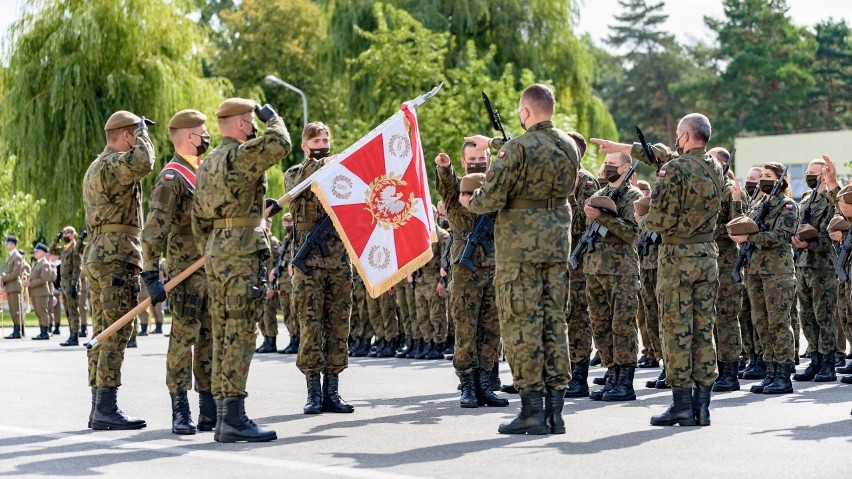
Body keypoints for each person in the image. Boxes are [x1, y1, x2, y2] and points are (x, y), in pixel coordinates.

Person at [593, 112, 722, 426]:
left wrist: (643, 221)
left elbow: (660, 219)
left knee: (676, 330)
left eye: (678, 134)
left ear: (685, 136)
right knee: (703, 330)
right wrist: (621, 146)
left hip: (678, 257)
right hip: (706, 254)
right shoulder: (714, 165)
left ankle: (681, 405)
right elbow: (664, 155)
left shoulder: (674, 170)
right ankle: (702, 407)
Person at [465, 83, 579, 435]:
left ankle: (531, 410)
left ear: (525, 112)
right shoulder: (569, 145)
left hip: (519, 249)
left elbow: (489, 197)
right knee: (554, 322)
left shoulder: (517, 148)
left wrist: (472, 201)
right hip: (557, 242)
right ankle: (555, 412)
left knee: (521, 324)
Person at [192, 98, 290, 442]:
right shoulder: (239, 154)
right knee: (240, 333)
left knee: (222, 331)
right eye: (250, 121)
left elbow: (199, 218)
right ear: (238, 124)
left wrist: (219, 239)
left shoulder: (207, 164)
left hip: (217, 250)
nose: (253, 126)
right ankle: (233, 417)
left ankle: (223, 415)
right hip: (240, 252)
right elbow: (281, 142)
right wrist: (273, 117)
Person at [142, 108, 215, 435]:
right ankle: (180, 408)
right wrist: (151, 274)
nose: (207, 138)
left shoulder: (202, 171)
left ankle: (209, 407)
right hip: (185, 269)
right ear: (189, 136)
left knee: (210, 337)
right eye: (202, 133)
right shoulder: (172, 176)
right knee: (184, 337)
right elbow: (155, 227)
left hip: (211, 267)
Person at [82, 110, 155, 430]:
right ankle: (105, 407)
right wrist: (144, 133)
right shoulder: (114, 163)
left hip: (100, 254)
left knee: (102, 330)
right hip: (115, 255)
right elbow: (145, 162)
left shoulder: (96, 166)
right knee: (116, 329)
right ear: (126, 136)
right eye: (135, 134)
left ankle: (99, 405)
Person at [284, 121, 353, 415]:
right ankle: (313, 391)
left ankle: (332, 391)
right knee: (310, 327)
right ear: (304, 146)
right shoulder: (294, 173)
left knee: (338, 326)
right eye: (316, 141)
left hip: (339, 261)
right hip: (308, 263)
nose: (322, 144)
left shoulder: (342, 173)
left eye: (325, 139)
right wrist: (325, 163)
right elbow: (302, 182)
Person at [435, 143, 509, 409]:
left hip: (494, 264)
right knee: (466, 327)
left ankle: (485, 384)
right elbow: (446, 184)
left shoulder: (497, 185)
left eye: (482, 158)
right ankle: (467, 384)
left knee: (491, 328)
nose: (477, 162)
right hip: (465, 267)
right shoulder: (456, 189)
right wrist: (444, 168)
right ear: (463, 161)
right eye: (472, 158)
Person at [729, 162, 798, 396]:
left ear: (780, 180)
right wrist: (737, 202)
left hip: (777, 273)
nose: (762, 180)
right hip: (756, 272)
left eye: (768, 176)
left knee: (778, 323)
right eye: (762, 177)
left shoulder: (787, 205)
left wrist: (751, 236)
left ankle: (783, 375)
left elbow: (780, 235)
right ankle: (770, 372)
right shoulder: (759, 204)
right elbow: (743, 225)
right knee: (761, 323)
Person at [583, 153, 643, 402]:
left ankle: (625, 382)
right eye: (605, 163)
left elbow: (632, 233)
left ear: (626, 167)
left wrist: (604, 218)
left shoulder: (633, 196)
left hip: (622, 271)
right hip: (595, 268)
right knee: (600, 324)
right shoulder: (599, 194)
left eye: (612, 164)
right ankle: (612, 373)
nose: (606, 167)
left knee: (622, 326)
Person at [791, 158, 838, 383]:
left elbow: (832, 234)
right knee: (807, 315)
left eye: (813, 172)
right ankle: (815, 360)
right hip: (803, 264)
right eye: (807, 171)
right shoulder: (806, 199)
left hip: (823, 266)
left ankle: (828, 362)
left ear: (823, 175)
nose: (808, 176)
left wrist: (810, 244)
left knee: (824, 315)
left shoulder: (830, 200)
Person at [564, 134, 599, 399]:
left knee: (577, 318)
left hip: (576, 263)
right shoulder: (553, 176)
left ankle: (579, 376)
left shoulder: (586, 182)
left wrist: (570, 195)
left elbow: (580, 226)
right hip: (554, 259)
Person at [708, 147, 746, 392]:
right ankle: (717, 369)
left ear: (722, 163)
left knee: (726, 317)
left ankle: (730, 371)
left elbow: (737, 226)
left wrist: (736, 199)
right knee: (710, 319)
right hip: (707, 257)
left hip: (726, 259)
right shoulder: (707, 187)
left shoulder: (731, 189)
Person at [50, 227, 84, 345]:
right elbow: (52, 251)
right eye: (64, 232)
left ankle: (75, 336)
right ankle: (71, 335)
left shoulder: (75, 248)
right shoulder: (64, 249)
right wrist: (56, 240)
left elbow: (77, 268)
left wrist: (74, 285)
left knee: (73, 311)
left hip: (71, 284)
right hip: (64, 285)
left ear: (74, 234)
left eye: (68, 233)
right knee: (68, 311)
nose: (65, 234)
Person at [256, 219, 282, 354]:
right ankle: (266, 338)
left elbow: (278, 267)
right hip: (260, 284)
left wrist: (272, 286)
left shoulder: (273, 243)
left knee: (269, 314)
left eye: (267, 223)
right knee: (262, 314)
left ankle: (271, 341)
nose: (265, 225)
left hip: (270, 284)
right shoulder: (259, 240)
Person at [26, 243, 55, 340]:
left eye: (37, 251)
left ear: (43, 252)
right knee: (38, 313)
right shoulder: (37, 263)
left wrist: (29, 284)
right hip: (35, 293)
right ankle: (42, 331)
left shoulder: (45, 264)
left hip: (41, 293)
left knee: (43, 312)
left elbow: (43, 279)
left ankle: (45, 332)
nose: (35, 253)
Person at [2, 236, 25, 339]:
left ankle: (18, 330)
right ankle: (16, 329)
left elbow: (16, 273)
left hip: (15, 286)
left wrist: (4, 277)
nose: (6, 245)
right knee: (12, 310)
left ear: (13, 244)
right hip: (10, 287)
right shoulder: (11, 256)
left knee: (16, 310)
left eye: (8, 243)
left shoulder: (17, 257)